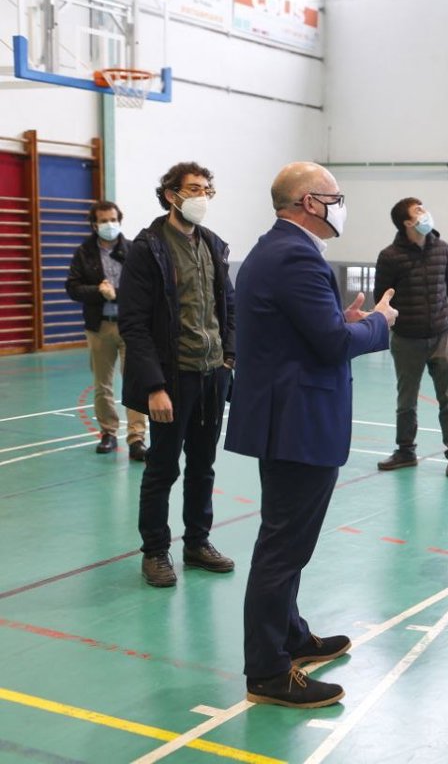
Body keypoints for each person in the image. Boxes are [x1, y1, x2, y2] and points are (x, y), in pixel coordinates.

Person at [225, 162, 397, 708]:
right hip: (298, 423)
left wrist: (341, 320)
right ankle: (268, 670)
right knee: (283, 547)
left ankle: (291, 635)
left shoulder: (273, 250)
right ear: (307, 202)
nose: (340, 205)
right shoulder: (296, 255)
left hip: (287, 418)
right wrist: (378, 323)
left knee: (289, 542)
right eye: (333, 196)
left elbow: (303, 332)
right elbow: (331, 345)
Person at [119, 162, 236, 588]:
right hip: (173, 378)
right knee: (162, 468)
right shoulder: (147, 248)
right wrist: (154, 386)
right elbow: (133, 323)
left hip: (212, 375)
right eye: (194, 189)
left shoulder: (213, 245)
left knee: (203, 465)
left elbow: (228, 305)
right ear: (171, 195)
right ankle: (155, 551)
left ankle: (197, 543)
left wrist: (229, 357)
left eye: (207, 189)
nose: (202, 197)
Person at [373, 197, 448, 477]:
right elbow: (382, 298)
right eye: (418, 211)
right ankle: (405, 451)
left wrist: (439, 317)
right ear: (407, 223)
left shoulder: (442, 249)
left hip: (441, 335)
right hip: (406, 339)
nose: (425, 213)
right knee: (406, 401)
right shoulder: (390, 256)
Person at [65, 200, 147, 459]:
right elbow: (72, 288)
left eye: (113, 219)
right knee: (103, 385)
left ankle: (137, 438)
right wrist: (98, 292)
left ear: (119, 221)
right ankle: (108, 433)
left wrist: (117, 294)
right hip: (99, 327)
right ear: (94, 224)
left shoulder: (134, 250)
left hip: (131, 326)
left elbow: (144, 288)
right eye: (103, 221)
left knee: (135, 382)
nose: (109, 224)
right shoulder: (84, 253)